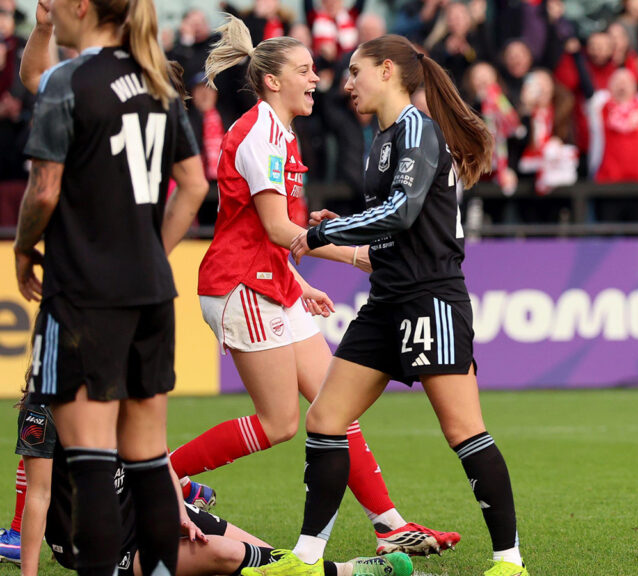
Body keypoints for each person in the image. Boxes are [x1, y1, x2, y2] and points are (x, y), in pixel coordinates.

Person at [174, 14, 459, 557]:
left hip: (271, 280)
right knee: (280, 421)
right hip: (240, 286)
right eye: (305, 70)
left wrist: (299, 279)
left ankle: (390, 523)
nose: (318, 79)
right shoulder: (261, 132)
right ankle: (159, 474)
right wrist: (357, 256)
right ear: (273, 80)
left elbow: (270, 233)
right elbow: (280, 229)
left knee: (333, 405)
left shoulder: (281, 131)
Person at [258, 34, 528, 576]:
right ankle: (306, 557)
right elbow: (390, 228)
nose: (346, 83)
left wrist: (320, 238)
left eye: (355, 72)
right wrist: (340, 234)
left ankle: (509, 562)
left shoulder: (417, 131)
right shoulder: (380, 138)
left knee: (464, 431)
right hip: (388, 299)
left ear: (387, 71)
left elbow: (402, 213)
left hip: (432, 298)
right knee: (326, 419)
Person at [12, 1, 209, 576]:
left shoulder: (70, 81)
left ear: (82, 7)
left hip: (82, 297)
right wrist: (151, 251)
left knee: (93, 460)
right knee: (148, 459)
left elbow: (44, 192)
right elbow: (194, 185)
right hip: (151, 293)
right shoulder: (156, 81)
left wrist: (25, 248)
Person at [11, 401, 412, 576]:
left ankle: (338, 573)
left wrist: (182, 512)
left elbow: (155, 458)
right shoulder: (41, 413)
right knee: (225, 554)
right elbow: (40, 497)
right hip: (99, 549)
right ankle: (348, 571)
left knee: (275, 560)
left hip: (144, 515)